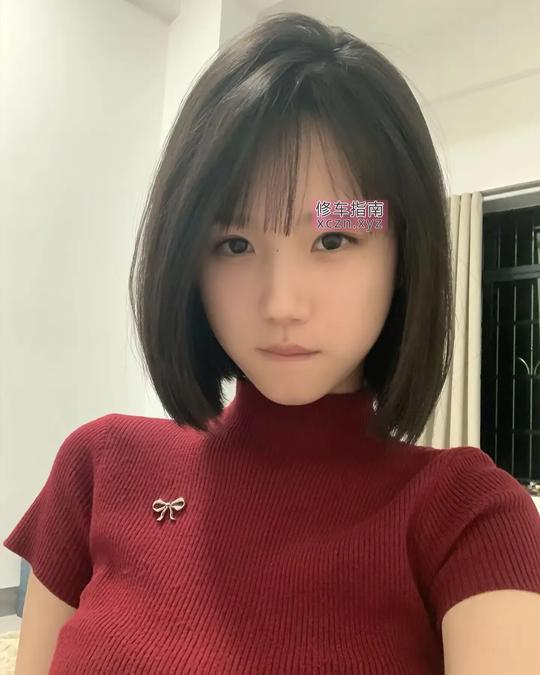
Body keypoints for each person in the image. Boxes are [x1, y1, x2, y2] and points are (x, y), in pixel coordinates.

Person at [4, 11, 540, 675]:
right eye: (235, 244)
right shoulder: (100, 467)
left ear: (403, 253)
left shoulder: (468, 517)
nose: (281, 303)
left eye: (334, 238)